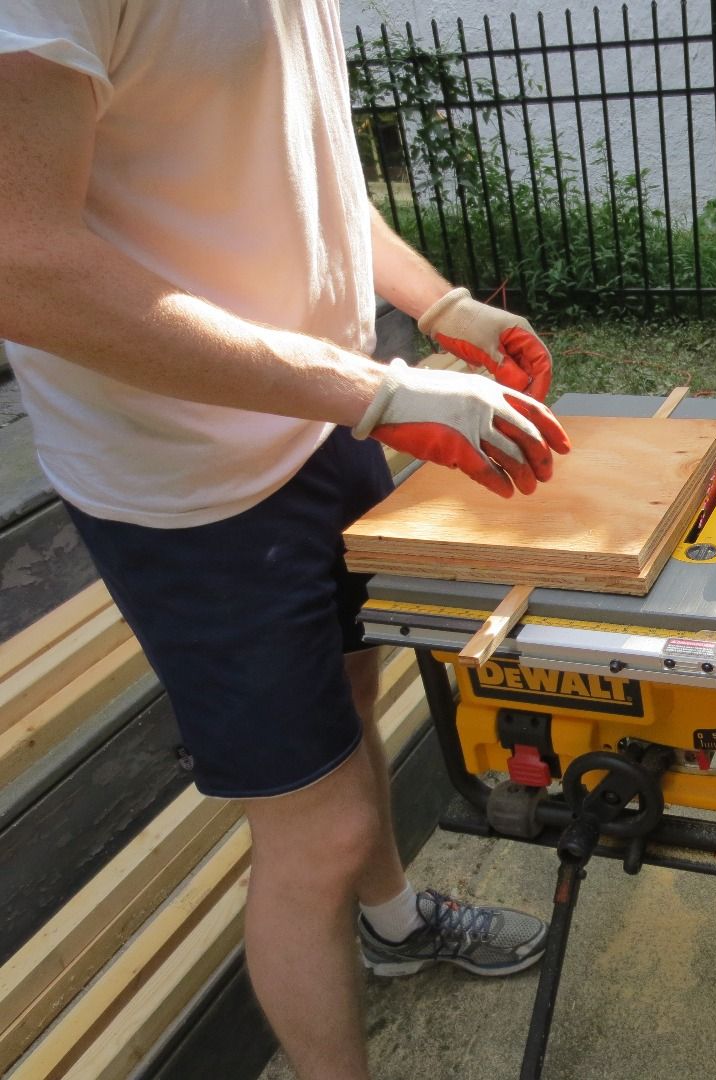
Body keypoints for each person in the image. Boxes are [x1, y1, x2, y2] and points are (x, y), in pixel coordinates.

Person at [0, 3, 571, 1077]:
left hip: (325, 416)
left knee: (354, 702)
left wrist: (440, 305)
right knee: (317, 838)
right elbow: (19, 260)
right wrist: (373, 393)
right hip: (193, 490)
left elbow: (301, 183)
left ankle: (395, 929)